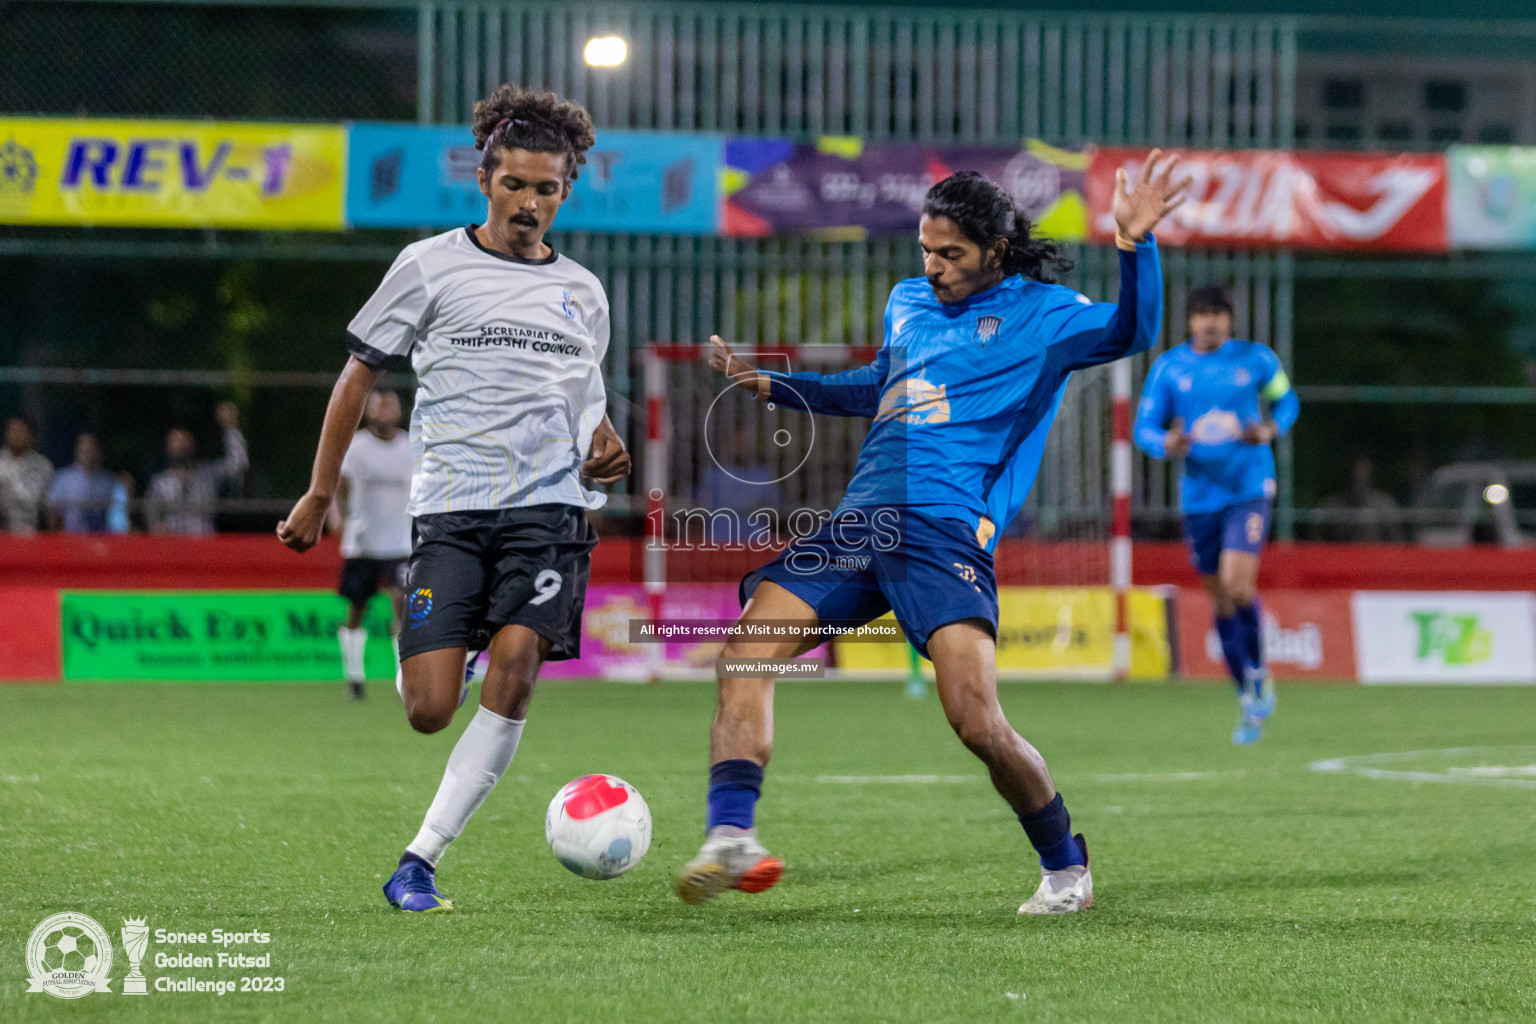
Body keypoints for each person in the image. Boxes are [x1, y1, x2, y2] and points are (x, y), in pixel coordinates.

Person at [678, 153, 1188, 916]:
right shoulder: (908, 300)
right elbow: (878, 384)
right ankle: (730, 834)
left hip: (944, 530)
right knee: (746, 654)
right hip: (859, 521)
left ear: (995, 249)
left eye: (951, 253)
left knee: (976, 720)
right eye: (926, 249)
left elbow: (1131, 331)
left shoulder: (1046, 317)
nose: (934, 265)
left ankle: (1064, 865)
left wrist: (1134, 245)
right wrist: (771, 383)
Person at [276, 85, 631, 914]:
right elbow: (356, 377)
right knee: (429, 710)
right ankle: (458, 650)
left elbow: (584, 402)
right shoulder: (429, 265)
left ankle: (420, 860)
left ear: (565, 193)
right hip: (450, 514)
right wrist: (320, 492)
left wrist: (604, 442)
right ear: (485, 177)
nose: (529, 204)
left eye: (546, 190)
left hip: (548, 513)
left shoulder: (584, 291)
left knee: (516, 668)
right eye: (515, 185)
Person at [1133, 285, 1299, 745]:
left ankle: (1260, 669)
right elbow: (1143, 427)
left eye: (1218, 314)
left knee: (1237, 583)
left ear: (1230, 319)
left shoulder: (1257, 360)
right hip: (1199, 497)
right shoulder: (1170, 369)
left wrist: (1271, 427)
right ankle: (1247, 694)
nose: (1209, 322)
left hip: (1249, 488)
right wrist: (1165, 443)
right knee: (1221, 599)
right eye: (1202, 315)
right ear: (1189, 321)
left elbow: (1287, 401)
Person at [327, 389, 413, 700]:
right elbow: (340, 486)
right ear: (368, 412)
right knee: (357, 607)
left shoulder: (411, 446)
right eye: (378, 406)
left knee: (401, 604)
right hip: (363, 541)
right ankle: (354, 676)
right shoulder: (357, 447)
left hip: (399, 540)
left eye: (390, 405)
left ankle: (405, 679)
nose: (385, 411)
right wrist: (338, 517)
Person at [144, 403, 249, 536]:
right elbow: (152, 520)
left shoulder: (208, 474)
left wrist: (231, 428)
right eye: (175, 441)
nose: (180, 445)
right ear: (167, 447)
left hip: (204, 547)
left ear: (192, 443)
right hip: (171, 549)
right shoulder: (160, 483)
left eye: (184, 441)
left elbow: (238, 464)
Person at [47, 432, 130, 534]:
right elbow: (53, 514)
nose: (88, 454)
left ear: (100, 452)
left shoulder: (111, 481)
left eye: (92, 449)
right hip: (70, 539)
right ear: (77, 451)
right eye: (84, 450)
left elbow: (119, 518)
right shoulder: (62, 478)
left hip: (102, 540)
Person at [1319, 456, 1401, 542]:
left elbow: (1396, 541)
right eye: (1355, 475)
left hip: (1375, 553)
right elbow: (1317, 543)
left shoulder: (1385, 504)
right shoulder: (1331, 505)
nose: (1359, 479)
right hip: (1340, 554)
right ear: (1348, 475)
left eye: (1364, 476)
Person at [0, 414, 53, 536]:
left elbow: (45, 503)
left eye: (20, 431)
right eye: (12, 430)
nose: (16, 435)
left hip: (33, 532)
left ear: (30, 435)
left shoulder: (43, 465)